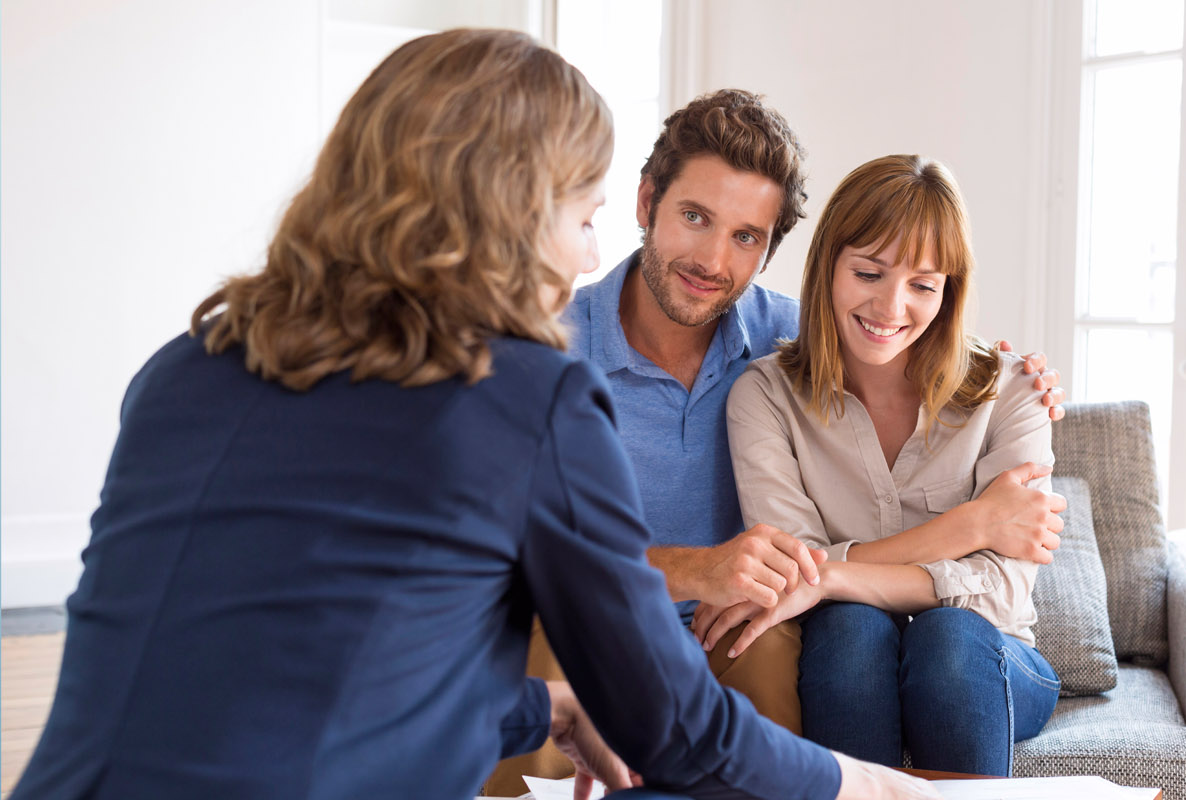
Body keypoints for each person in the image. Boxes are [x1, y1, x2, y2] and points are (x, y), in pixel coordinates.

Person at [9, 31, 941, 800]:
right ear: (506, 213)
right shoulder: (531, 394)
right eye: (582, 213)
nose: (585, 255)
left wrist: (542, 714)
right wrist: (887, 789)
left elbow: (273, 674)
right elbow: (673, 730)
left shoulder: (180, 372)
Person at [489, 90, 1067, 793]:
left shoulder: (793, 339)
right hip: (588, 611)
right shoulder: (541, 350)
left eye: (746, 237)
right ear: (646, 204)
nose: (711, 258)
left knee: (843, 654)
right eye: (694, 217)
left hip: (742, 622)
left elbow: (898, 323)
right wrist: (698, 568)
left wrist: (1015, 372)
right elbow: (500, 550)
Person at [698, 154, 1064, 777]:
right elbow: (793, 569)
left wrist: (833, 575)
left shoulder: (1015, 390)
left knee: (945, 635)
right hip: (849, 652)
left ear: (949, 291)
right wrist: (971, 527)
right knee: (849, 631)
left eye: (923, 285)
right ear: (829, 269)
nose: (892, 306)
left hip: (988, 655)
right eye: (869, 272)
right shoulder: (764, 395)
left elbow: (999, 594)